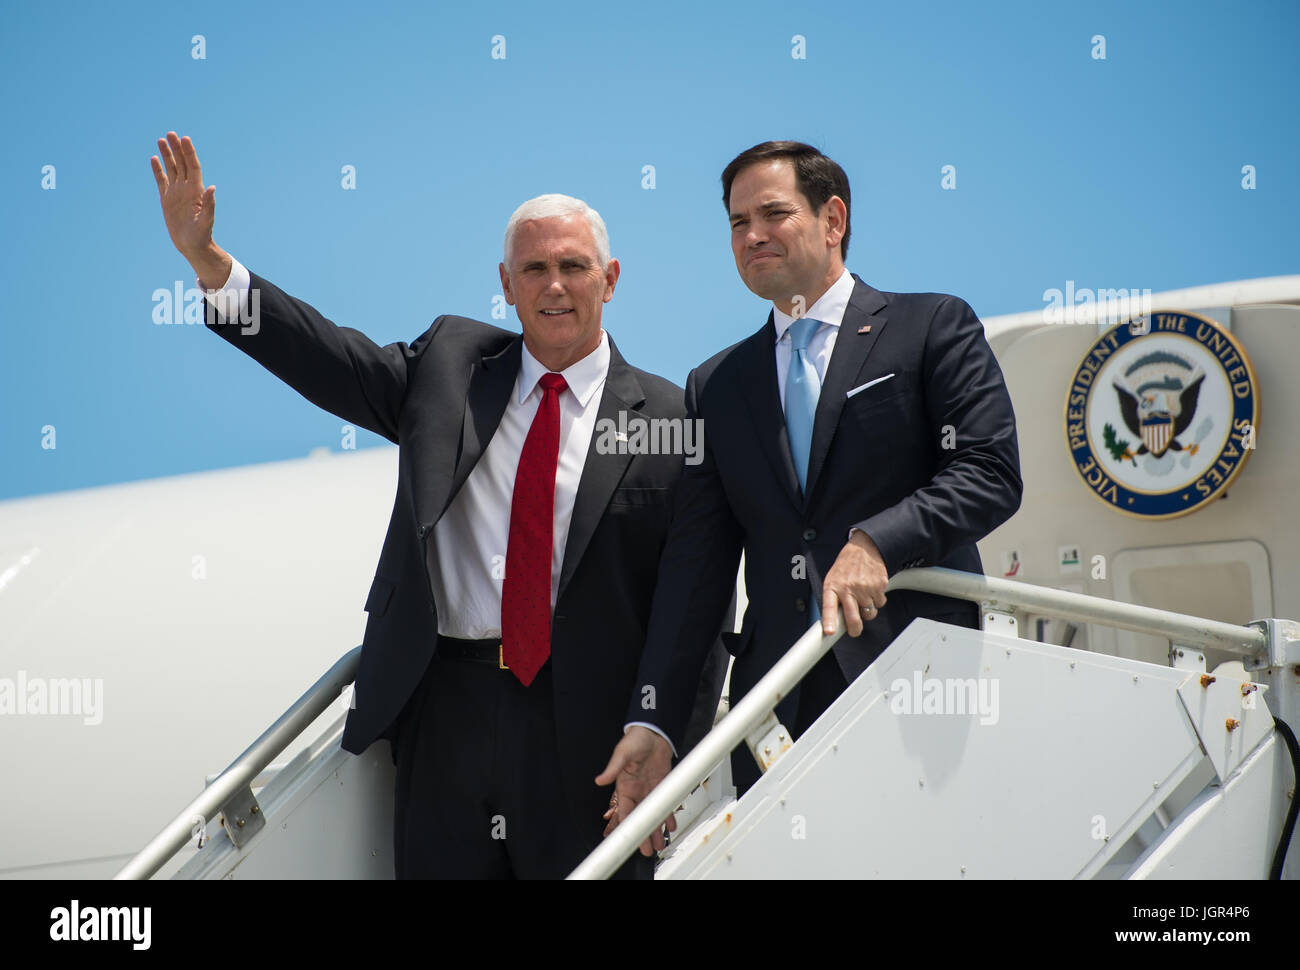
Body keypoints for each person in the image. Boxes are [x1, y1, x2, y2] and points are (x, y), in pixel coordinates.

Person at [150, 131, 710, 879]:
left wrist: (667, 735)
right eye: (533, 269)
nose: (553, 286)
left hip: (591, 726)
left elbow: (693, 603)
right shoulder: (450, 366)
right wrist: (211, 265)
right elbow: (329, 358)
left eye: (573, 267)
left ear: (609, 278)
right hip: (448, 705)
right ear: (504, 285)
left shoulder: (672, 418)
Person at [598, 140, 1023, 857]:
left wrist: (877, 541)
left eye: (773, 213)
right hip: (779, 706)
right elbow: (697, 570)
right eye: (737, 223)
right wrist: (658, 723)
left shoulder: (930, 327)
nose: (752, 235)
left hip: (920, 681)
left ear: (833, 219)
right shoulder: (717, 384)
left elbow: (989, 471)